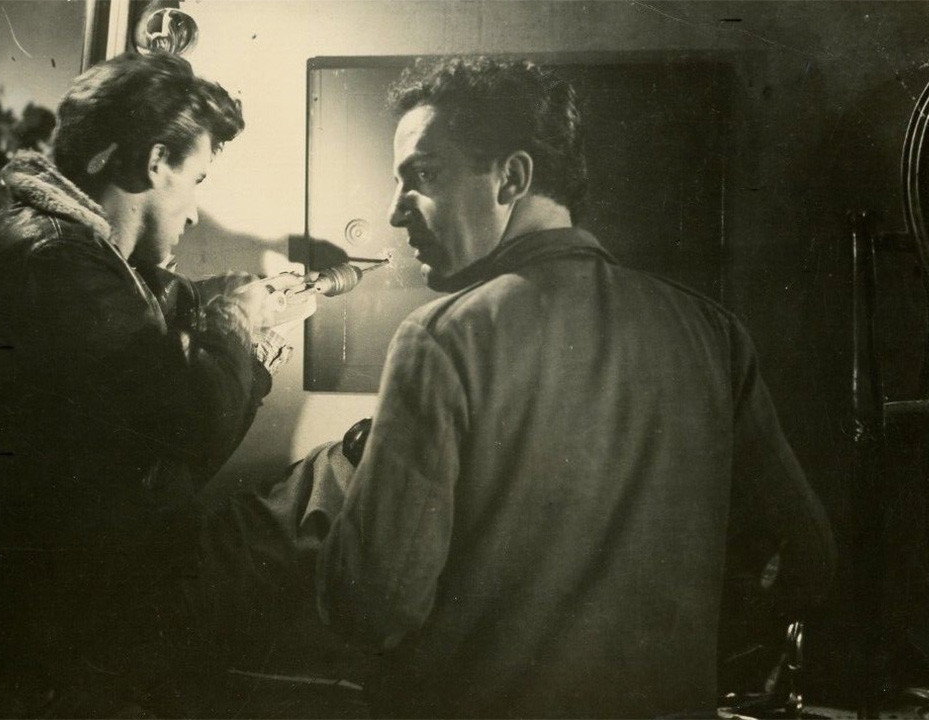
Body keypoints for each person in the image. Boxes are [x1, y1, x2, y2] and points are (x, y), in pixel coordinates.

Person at [312, 57, 837, 718]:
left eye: (424, 175)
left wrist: (349, 486)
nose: (394, 212)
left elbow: (371, 608)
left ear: (512, 178)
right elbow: (808, 560)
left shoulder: (440, 339)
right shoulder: (713, 332)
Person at [0, 51, 306, 716]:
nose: (193, 213)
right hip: (61, 651)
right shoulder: (55, 259)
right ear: (156, 161)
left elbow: (136, 308)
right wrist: (237, 323)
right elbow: (193, 423)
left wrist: (231, 299)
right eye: (195, 179)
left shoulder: (58, 244)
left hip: (62, 629)